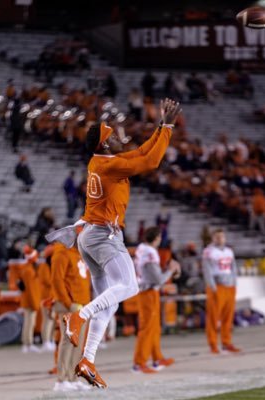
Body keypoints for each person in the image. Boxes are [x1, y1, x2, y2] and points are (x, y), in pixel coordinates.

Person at [48, 98, 181, 388]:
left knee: (109, 304)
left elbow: (142, 152)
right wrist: (168, 127)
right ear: (106, 144)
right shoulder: (109, 166)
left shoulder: (102, 161)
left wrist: (162, 127)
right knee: (130, 286)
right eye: (115, 136)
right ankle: (77, 318)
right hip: (103, 235)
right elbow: (151, 160)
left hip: (91, 235)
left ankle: (88, 360)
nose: (122, 138)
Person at [133, 226, 180, 373]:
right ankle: (139, 363)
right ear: (157, 238)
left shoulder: (142, 248)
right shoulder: (149, 252)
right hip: (148, 292)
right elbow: (159, 279)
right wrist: (171, 271)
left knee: (154, 328)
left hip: (147, 291)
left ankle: (157, 358)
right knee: (147, 328)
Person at [51, 242, 91, 392]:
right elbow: (57, 280)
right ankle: (61, 380)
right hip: (70, 304)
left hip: (81, 304)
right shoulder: (61, 254)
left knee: (79, 343)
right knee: (68, 341)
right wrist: (68, 303)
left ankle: (72, 378)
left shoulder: (79, 254)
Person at [202, 228, 240, 354]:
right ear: (213, 238)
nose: (220, 239)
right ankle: (213, 344)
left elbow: (233, 267)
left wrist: (234, 283)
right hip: (217, 286)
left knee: (228, 317)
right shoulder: (209, 251)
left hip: (229, 287)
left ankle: (226, 342)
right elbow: (207, 270)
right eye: (217, 237)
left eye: (222, 236)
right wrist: (212, 286)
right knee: (213, 317)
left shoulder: (229, 251)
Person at [19, 246, 41, 353]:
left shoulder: (26, 268)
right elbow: (31, 289)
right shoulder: (29, 271)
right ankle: (28, 343)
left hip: (28, 300)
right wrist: (34, 303)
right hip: (30, 301)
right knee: (29, 323)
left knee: (28, 322)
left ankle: (27, 343)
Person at [38, 247, 55, 352]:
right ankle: (46, 341)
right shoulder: (44, 267)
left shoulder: (51, 266)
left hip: (52, 297)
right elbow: (48, 281)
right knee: (47, 320)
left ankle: (51, 339)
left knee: (52, 320)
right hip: (45, 297)